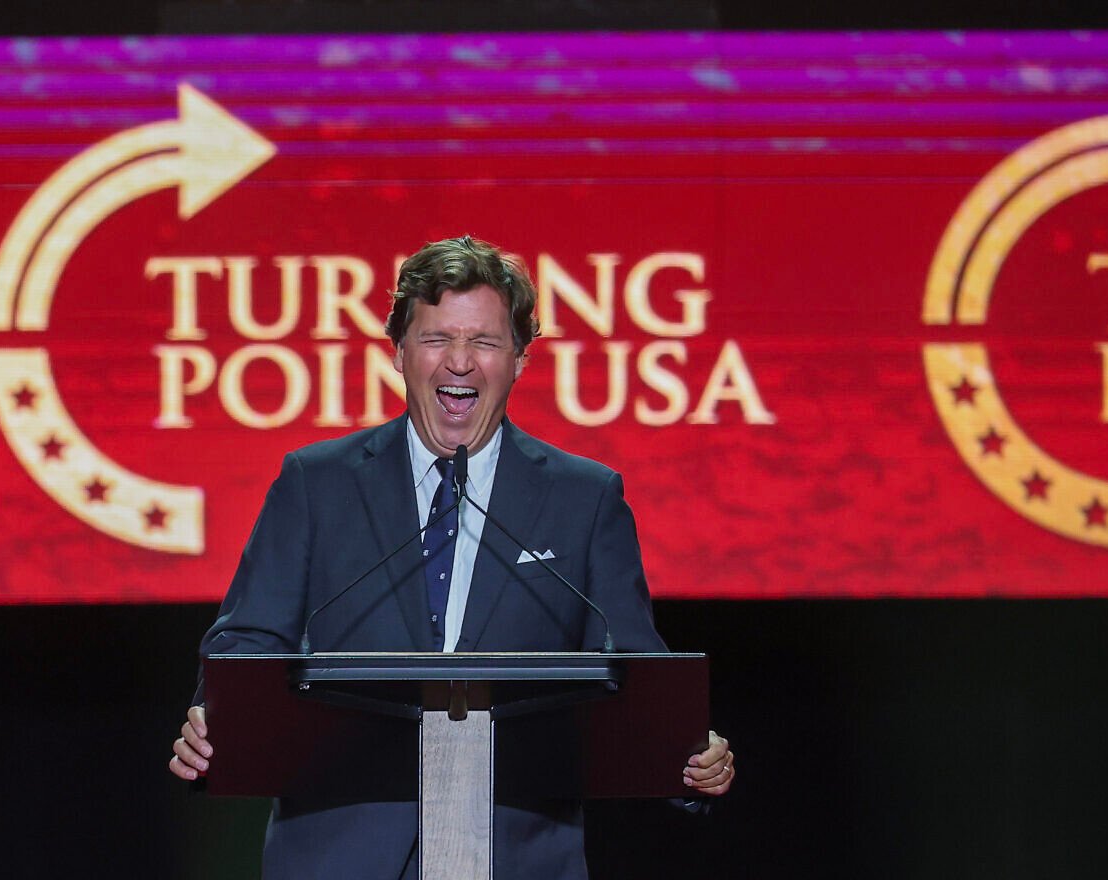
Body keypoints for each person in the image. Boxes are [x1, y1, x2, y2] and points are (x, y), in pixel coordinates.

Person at [170, 235, 734, 879]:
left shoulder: (585, 498)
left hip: (517, 858)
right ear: (400, 353)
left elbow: (630, 668)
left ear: (519, 359)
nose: (459, 363)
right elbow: (246, 644)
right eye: (437, 339)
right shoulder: (315, 484)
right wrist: (216, 719)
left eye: (486, 342)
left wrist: (687, 757)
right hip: (337, 856)